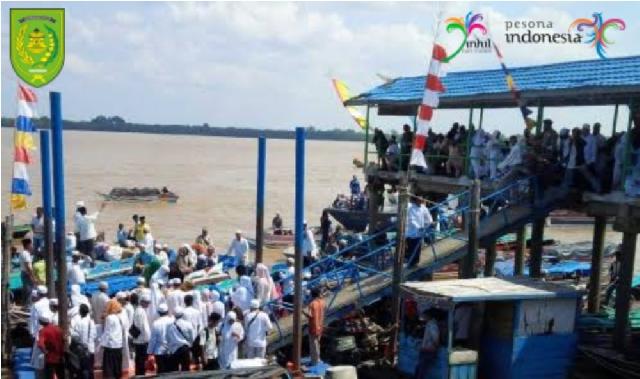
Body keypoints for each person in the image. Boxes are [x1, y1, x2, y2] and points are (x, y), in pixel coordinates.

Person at [100, 300, 125, 379]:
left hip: (111, 346)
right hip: (118, 345)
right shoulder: (118, 317)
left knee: (109, 370)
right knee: (117, 368)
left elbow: (107, 333)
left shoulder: (109, 318)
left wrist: (101, 344)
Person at [70, 303, 96, 379]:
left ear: (80, 312)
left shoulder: (79, 323)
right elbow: (94, 335)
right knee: (90, 368)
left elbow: (75, 336)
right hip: (91, 349)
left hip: (82, 350)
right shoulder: (92, 322)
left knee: (83, 369)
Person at [405, 197, 433, 267]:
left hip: (420, 233)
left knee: (418, 248)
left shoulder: (423, 208)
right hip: (411, 233)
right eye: (419, 200)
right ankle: (410, 263)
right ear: (416, 200)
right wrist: (418, 227)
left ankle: (415, 263)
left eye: (422, 200)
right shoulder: (411, 208)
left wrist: (430, 222)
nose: (421, 201)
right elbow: (412, 220)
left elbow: (428, 217)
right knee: (411, 248)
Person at [167, 306, 195, 372]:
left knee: (174, 371)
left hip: (174, 349)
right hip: (185, 348)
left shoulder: (170, 326)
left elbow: (169, 340)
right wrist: (190, 346)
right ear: (182, 314)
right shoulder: (188, 324)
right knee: (186, 370)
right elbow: (192, 337)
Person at [37, 314, 65, 379]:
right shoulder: (58, 329)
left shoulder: (43, 331)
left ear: (41, 322)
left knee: (49, 375)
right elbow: (63, 340)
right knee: (61, 375)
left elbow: (41, 344)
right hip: (60, 356)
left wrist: (45, 352)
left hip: (50, 357)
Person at [415, 309, 440, 379]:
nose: (423, 317)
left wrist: (435, 347)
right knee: (420, 367)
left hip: (428, 350)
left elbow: (435, 339)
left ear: (429, 316)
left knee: (421, 368)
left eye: (425, 316)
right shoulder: (429, 324)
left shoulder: (432, 325)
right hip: (426, 349)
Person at [304, 288, 325, 365]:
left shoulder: (312, 304)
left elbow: (310, 315)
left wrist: (303, 312)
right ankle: (318, 358)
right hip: (320, 325)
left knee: (313, 344)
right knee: (318, 343)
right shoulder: (322, 302)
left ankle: (315, 361)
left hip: (313, 326)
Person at [183, 294, 204, 369]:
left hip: (186, 337)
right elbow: (200, 325)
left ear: (184, 302)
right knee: (196, 357)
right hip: (195, 336)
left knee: (187, 358)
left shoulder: (183, 312)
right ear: (192, 302)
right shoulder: (197, 312)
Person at [20, 238, 37, 304]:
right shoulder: (26, 254)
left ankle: (26, 305)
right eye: (31, 244)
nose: (32, 246)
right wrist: (32, 276)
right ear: (28, 245)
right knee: (29, 291)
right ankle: (28, 306)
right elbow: (28, 267)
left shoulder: (23, 253)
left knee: (26, 291)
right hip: (27, 274)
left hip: (24, 273)